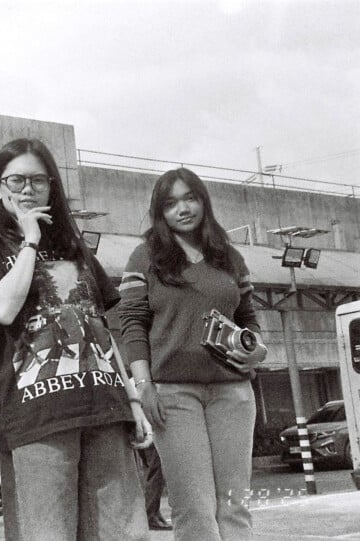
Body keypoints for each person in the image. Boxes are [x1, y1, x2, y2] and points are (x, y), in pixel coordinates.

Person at [0, 138, 151, 541]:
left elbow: (101, 327)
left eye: (39, 180)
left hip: (104, 406)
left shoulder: (75, 248)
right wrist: (29, 239)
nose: (28, 189)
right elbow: (2, 311)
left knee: (124, 533)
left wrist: (132, 399)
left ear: (53, 187)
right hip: (38, 414)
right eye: (17, 180)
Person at [118, 167, 268, 541]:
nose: (182, 209)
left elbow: (247, 318)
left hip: (233, 393)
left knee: (234, 504)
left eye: (190, 198)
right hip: (173, 395)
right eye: (170, 203)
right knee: (194, 508)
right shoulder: (144, 257)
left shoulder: (230, 258)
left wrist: (257, 349)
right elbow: (132, 324)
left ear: (203, 201)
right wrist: (143, 386)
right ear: (160, 211)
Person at [138, 443, 172, 531]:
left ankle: (153, 513)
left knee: (153, 469)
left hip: (146, 436)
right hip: (151, 436)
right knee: (155, 470)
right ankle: (151, 514)